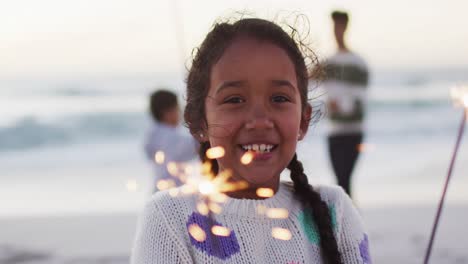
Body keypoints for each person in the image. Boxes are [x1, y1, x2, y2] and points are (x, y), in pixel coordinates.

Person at [132, 18, 371, 264]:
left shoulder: (335, 211)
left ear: (303, 121)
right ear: (199, 122)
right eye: (234, 100)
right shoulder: (170, 218)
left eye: (279, 98)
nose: (259, 120)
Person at [323, 11, 370, 198]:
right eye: (334, 27)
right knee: (340, 180)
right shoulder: (328, 62)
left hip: (353, 130)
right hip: (334, 130)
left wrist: (342, 106)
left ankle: (348, 224)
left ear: (346, 28)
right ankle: (348, 224)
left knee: (344, 180)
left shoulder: (358, 62)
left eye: (340, 26)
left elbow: (361, 96)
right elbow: (314, 87)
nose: (337, 31)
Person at [144, 90, 197, 191]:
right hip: (173, 189)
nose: (180, 113)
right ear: (167, 112)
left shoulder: (153, 134)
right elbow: (195, 146)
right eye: (177, 109)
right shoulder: (170, 137)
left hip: (159, 187)